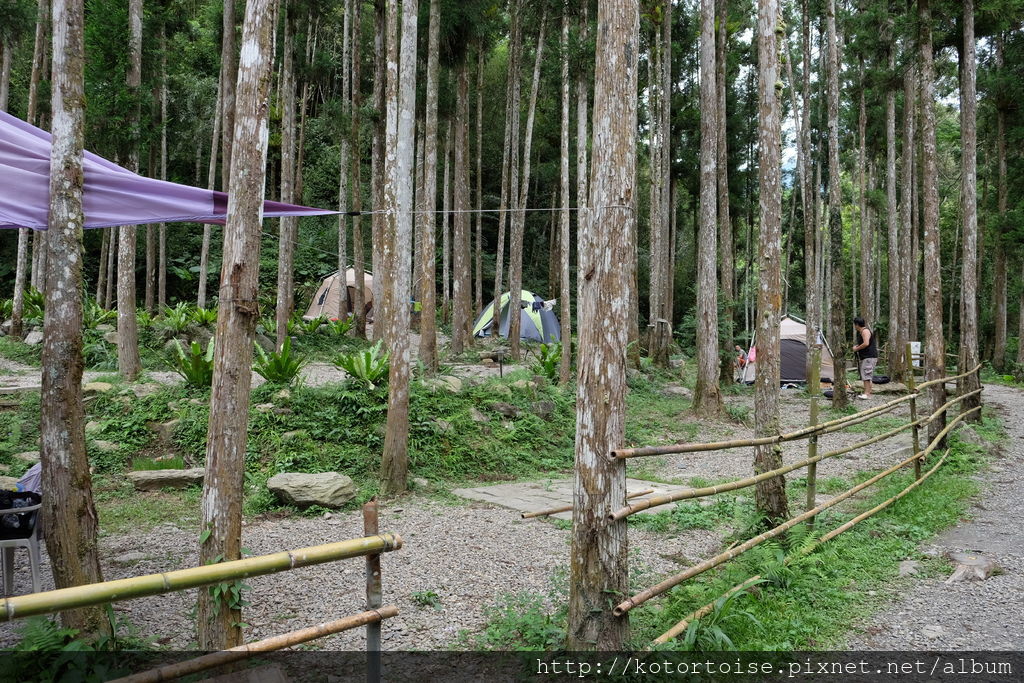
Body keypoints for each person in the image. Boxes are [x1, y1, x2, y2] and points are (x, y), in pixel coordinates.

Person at [852, 316, 878, 399]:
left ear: (856, 325)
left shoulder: (865, 331)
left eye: (855, 325)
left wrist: (856, 348)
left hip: (869, 356)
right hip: (867, 356)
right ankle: (868, 392)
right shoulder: (863, 331)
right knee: (866, 374)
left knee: (866, 374)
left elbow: (866, 343)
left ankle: (866, 394)